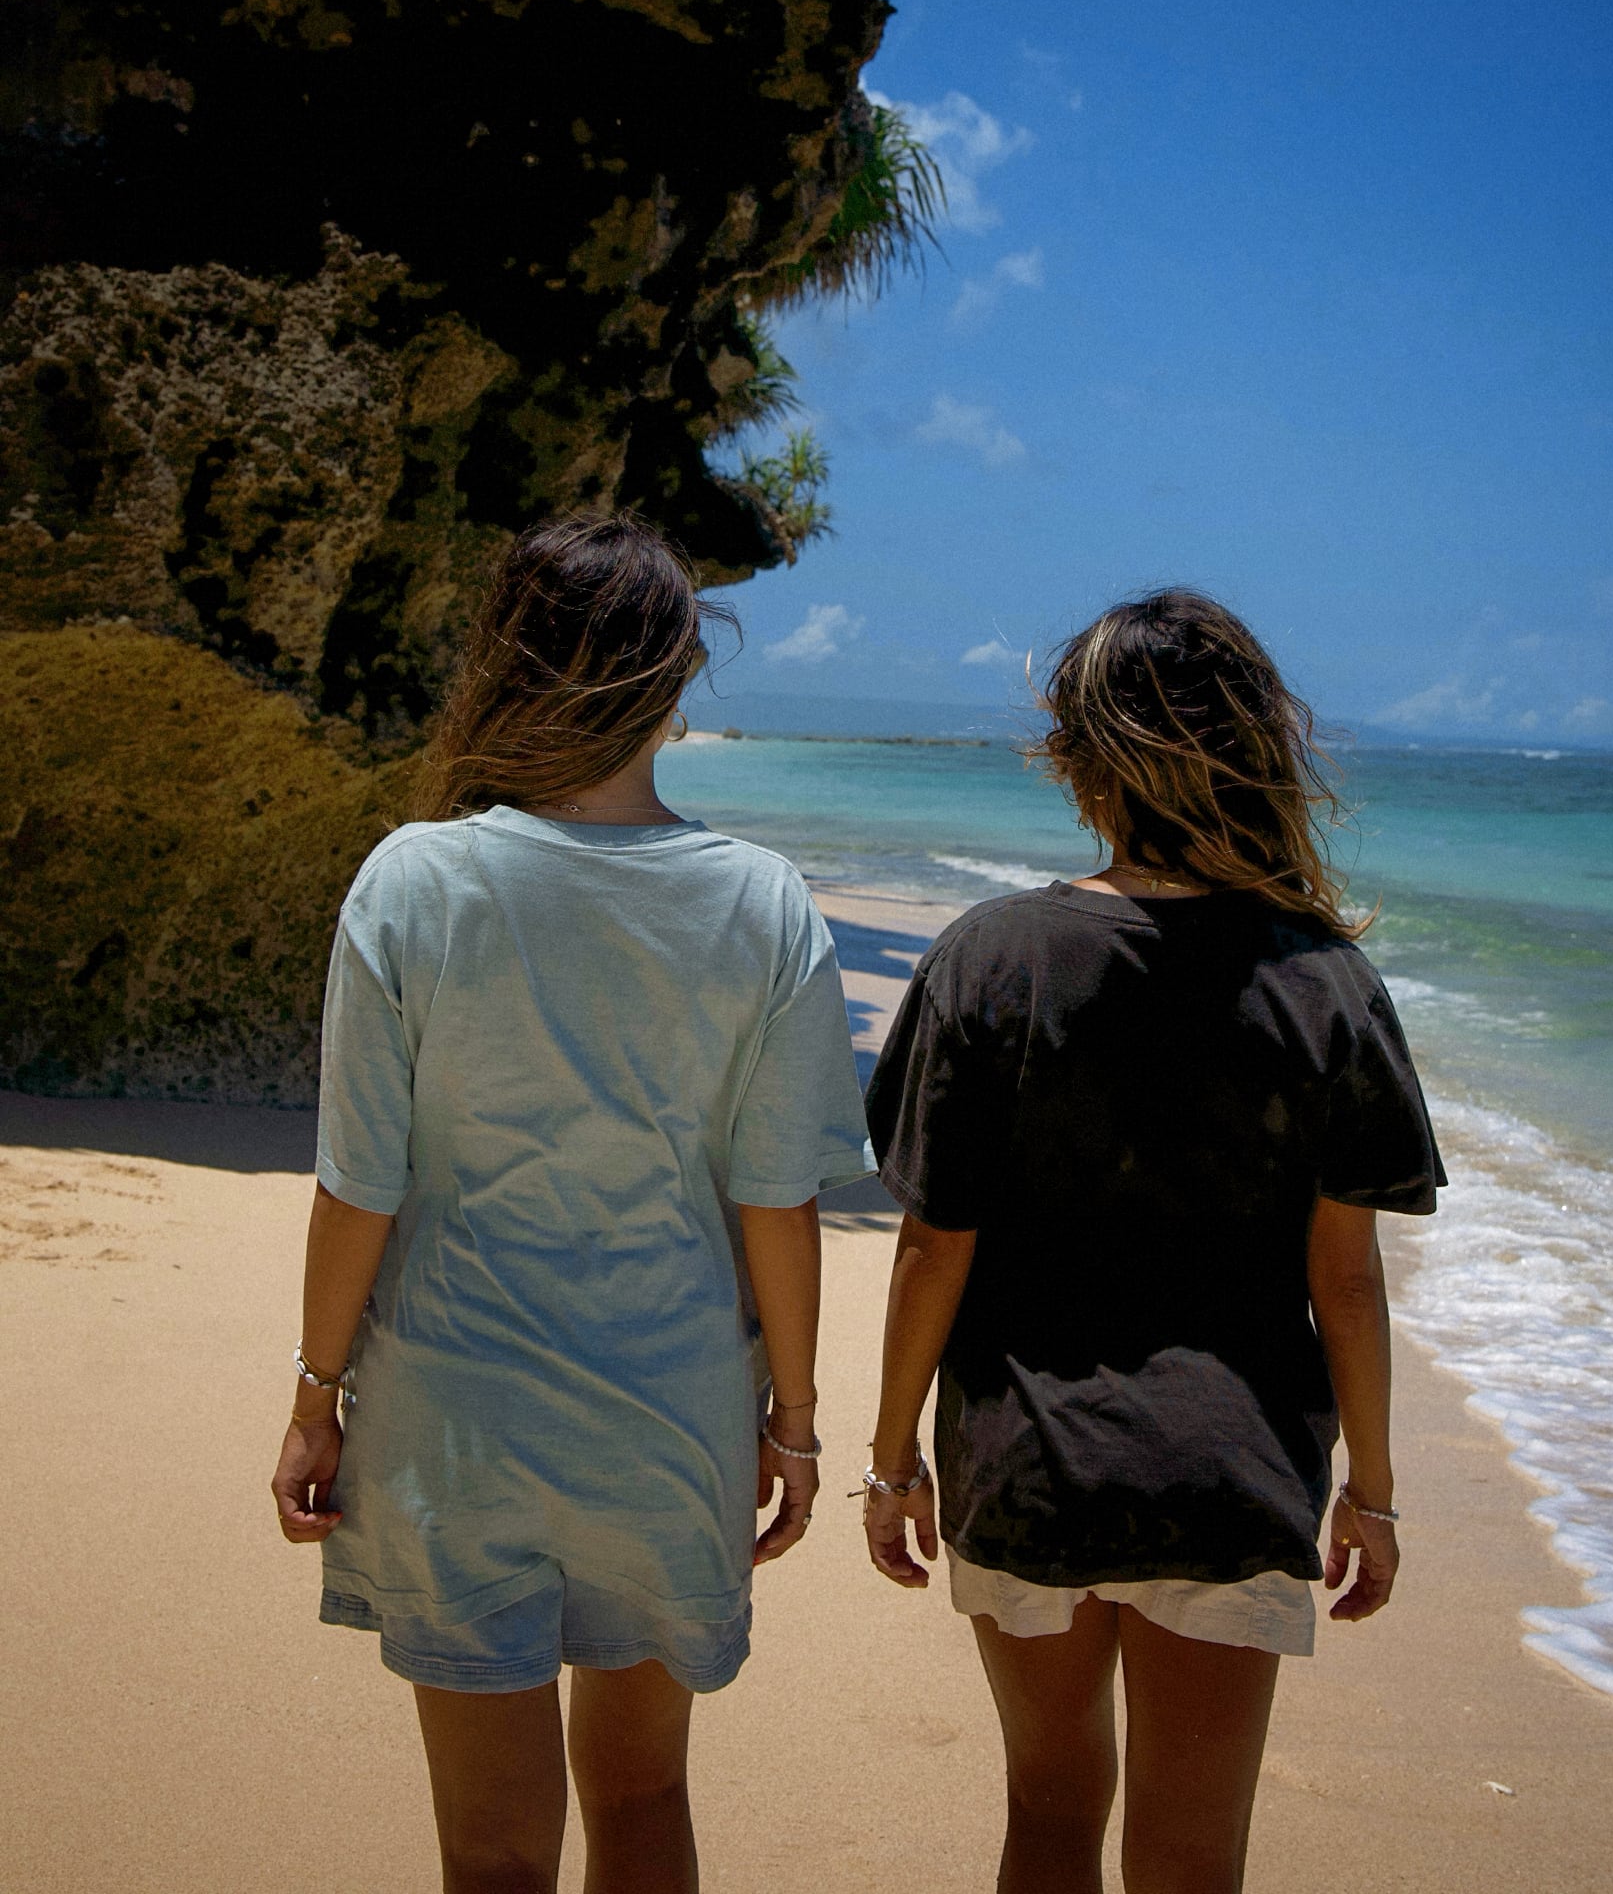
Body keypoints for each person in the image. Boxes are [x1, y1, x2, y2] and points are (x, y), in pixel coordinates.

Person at [271, 513, 870, 1894]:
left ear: (506, 662)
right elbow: (775, 1204)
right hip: (673, 1416)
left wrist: (314, 1399)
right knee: (645, 1797)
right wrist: (793, 1419)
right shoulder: (764, 905)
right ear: (677, 678)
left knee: (492, 1851)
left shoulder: (413, 880)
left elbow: (359, 1187)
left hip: (453, 1420)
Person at [861, 590, 1444, 1894]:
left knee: (1048, 1815)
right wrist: (1373, 1492)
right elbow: (1346, 1283)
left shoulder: (990, 959)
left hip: (1024, 1462)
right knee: (1190, 1855)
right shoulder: (1324, 981)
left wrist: (891, 1461)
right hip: (1232, 1473)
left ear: (1080, 761)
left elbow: (934, 1248)